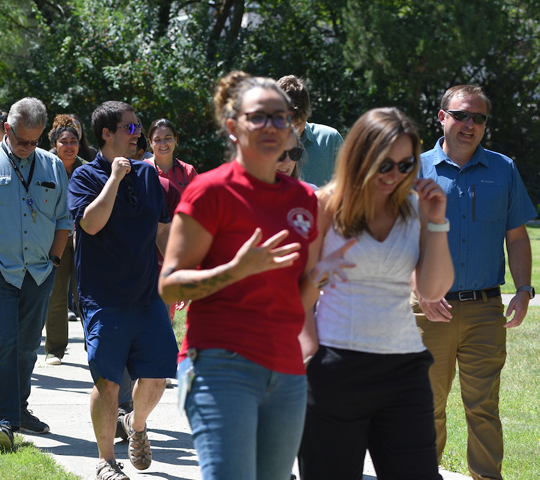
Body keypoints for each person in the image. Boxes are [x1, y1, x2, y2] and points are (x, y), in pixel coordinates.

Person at [157, 72, 315, 480]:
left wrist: (322, 278)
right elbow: (169, 284)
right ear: (233, 127)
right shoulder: (210, 191)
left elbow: (297, 297)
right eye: (258, 117)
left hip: (287, 371)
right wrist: (235, 271)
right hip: (220, 366)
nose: (271, 127)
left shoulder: (304, 200)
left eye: (280, 118)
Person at [298, 107, 453, 479]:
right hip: (335, 366)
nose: (395, 175)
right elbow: (298, 297)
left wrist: (437, 222)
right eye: (386, 165)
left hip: (404, 370)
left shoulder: (415, 208)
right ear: (360, 157)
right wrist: (311, 353)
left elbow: (432, 289)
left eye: (406, 165)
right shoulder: (325, 204)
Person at [415, 85, 536, 480]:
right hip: (428, 310)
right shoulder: (414, 170)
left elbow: (517, 237)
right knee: (424, 407)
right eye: (462, 115)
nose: (470, 124)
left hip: (485, 310)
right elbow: (394, 238)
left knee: (483, 407)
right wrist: (420, 292)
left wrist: (523, 289)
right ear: (442, 116)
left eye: (478, 118)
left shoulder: (503, 169)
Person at [0, 97, 72, 451]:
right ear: (7, 129)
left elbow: (64, 221)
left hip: (39, 272)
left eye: (35, 141)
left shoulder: (51, 166)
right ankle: (4, 421)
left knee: (26, 347)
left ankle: (19, 409)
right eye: (22, 140)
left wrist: (53, 260)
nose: (28, 148)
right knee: (3, 343)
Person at [68, 100, 178, 480]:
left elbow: (163, 231)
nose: (138, 135)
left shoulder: (150, 177)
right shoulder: (84, 178)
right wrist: (113, 179)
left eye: (138, 128)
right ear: (106, 133)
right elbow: (91, 225)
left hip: (147, 295)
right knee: (107, 380)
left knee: (159, 373)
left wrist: (179, 273)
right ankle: (105, 461)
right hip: (103, 299)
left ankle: (137, 423)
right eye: (130, 128)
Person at [44, 120, 85, 366]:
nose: (69, 146)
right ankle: (54, 350)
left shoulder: (89, 169)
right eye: (64, 142)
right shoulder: (45, 168)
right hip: (55, 239)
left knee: (86, 295)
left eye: (74, 141)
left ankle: (95, 346)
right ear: (55, 144)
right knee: (56, 295)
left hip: (85, 240)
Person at [276, 75, 343, 187]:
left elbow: (352, 181)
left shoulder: (330, 139)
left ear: (307, 115)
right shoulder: (263, 145)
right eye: (287, 123)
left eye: (298, 123)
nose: (293, 129)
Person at [146, 118, 198, 194]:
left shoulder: (188, 171)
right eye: (157, 139)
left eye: (168, 138)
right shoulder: (142, 170)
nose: (163, 143)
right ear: (150, 142)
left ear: (175, 139)